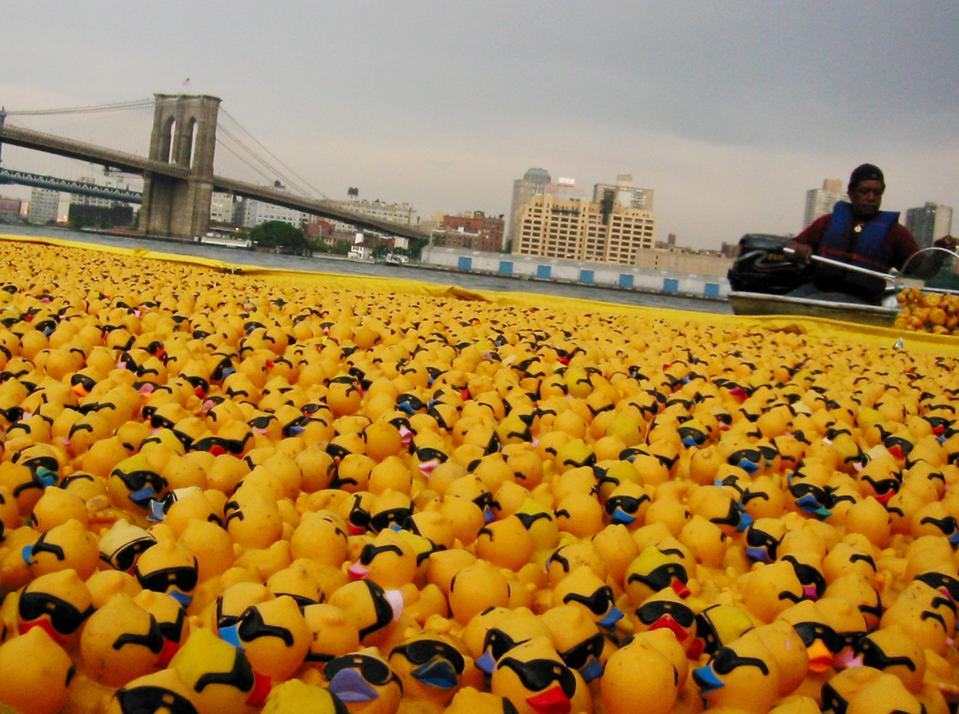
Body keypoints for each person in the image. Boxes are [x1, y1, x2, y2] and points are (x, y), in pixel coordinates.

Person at [785, 163, 956, 305]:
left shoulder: (896, 233)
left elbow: (923, 271)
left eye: (877, 192)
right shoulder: (827, 222)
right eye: (864, 191)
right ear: (851, 194)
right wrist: (799, 248)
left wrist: (937, 255)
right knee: (784, 305)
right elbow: (792, 246)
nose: (871, 197)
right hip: (817, 290)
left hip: (861, 301)